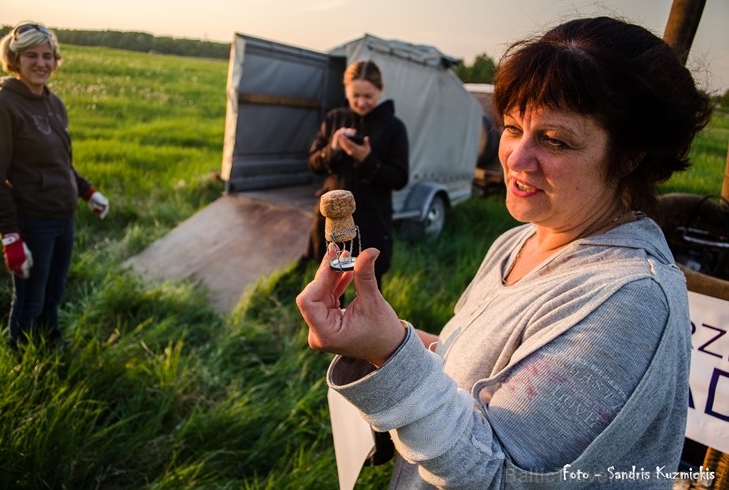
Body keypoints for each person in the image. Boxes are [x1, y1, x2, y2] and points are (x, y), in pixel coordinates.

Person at [296, 16, 713, 489]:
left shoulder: (631, 302)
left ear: (630, 155)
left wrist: (391, 354)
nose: (515, 158)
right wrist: (381, 340)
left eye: (555, 140)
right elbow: (465, 366)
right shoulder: (521, 240)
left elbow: (499, 477)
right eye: (513, 128)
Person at [0, 21, 110, 350]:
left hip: (63, 217)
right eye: (31, 55)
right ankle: (23, 363)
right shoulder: (2, 106)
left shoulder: (53, 103)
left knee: (54, 292)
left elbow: (60, 162)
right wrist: (11, 237)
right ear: (14, 59)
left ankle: (50, 340)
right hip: (32, 221)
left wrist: (87, 191)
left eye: (48, 55)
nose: (41, 63)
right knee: (29, 299)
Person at [305, 59, 409, 292]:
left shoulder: (394, 127)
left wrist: (367, 160)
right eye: (355, 96)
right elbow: (313, 164)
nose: (361, 103)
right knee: (330, 284)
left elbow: (400, 178)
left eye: (368, 96)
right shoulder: (334, 119)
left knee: (369, 286)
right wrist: (332, 149)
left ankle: (372, 329)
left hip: (372, 220)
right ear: (345, 90)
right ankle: (331, 326)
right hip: (332, 221)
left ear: (380, 90)